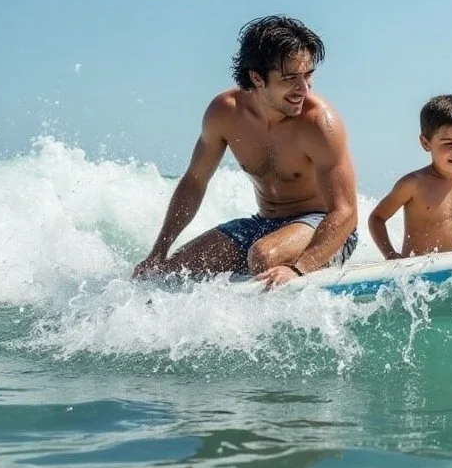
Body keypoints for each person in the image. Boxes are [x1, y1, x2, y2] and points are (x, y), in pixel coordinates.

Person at [133, 15, 358, 287]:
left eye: (308, 75)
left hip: (322, 227)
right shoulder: (225, 113)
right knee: (171, 273)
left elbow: (346, 212)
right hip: (262, 224)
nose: (303, 89)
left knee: (263, 256)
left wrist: (299, 269)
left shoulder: (319, 123)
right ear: (257, 77)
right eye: (290, 79)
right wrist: (158, 251)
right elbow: (195, 181)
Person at [368, 95, 452, 259]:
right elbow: (377, 218)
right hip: (416, 274)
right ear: (426, 143)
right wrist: (390, 254)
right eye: (449, 143)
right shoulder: (413, 184)